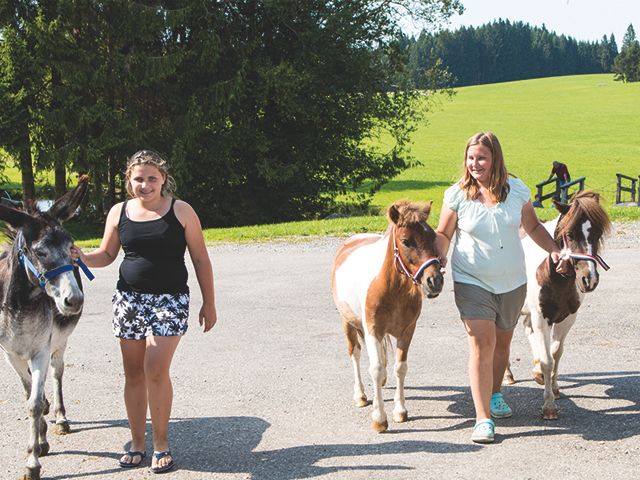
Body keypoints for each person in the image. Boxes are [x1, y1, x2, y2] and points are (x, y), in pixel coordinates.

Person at [71, 150, 217, 472]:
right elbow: (107, 254)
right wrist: (81, 256)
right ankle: (138, 443)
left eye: (152, 178)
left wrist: (210, 301)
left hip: (171, 299)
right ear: (129, 180)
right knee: (133, 372)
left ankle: (161, 443)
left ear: (163, 178)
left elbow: (201, 259)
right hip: (129, 300)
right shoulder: (118, 212)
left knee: (154, 367)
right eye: (139, 178)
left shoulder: (181, 211)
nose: (145, 184)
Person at [435, 132, 568, 444]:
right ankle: (483, 418)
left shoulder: (516, 190)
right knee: (482, 343)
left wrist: (554, 250)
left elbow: (533, 226)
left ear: (495, 158)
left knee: (502, 344)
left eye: (481, 157)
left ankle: (495, 393)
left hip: (512, 282)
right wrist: (438, 253)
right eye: (470, 158)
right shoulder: (457, 195)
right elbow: (443, 232)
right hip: (472, 281)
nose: (474, 164)